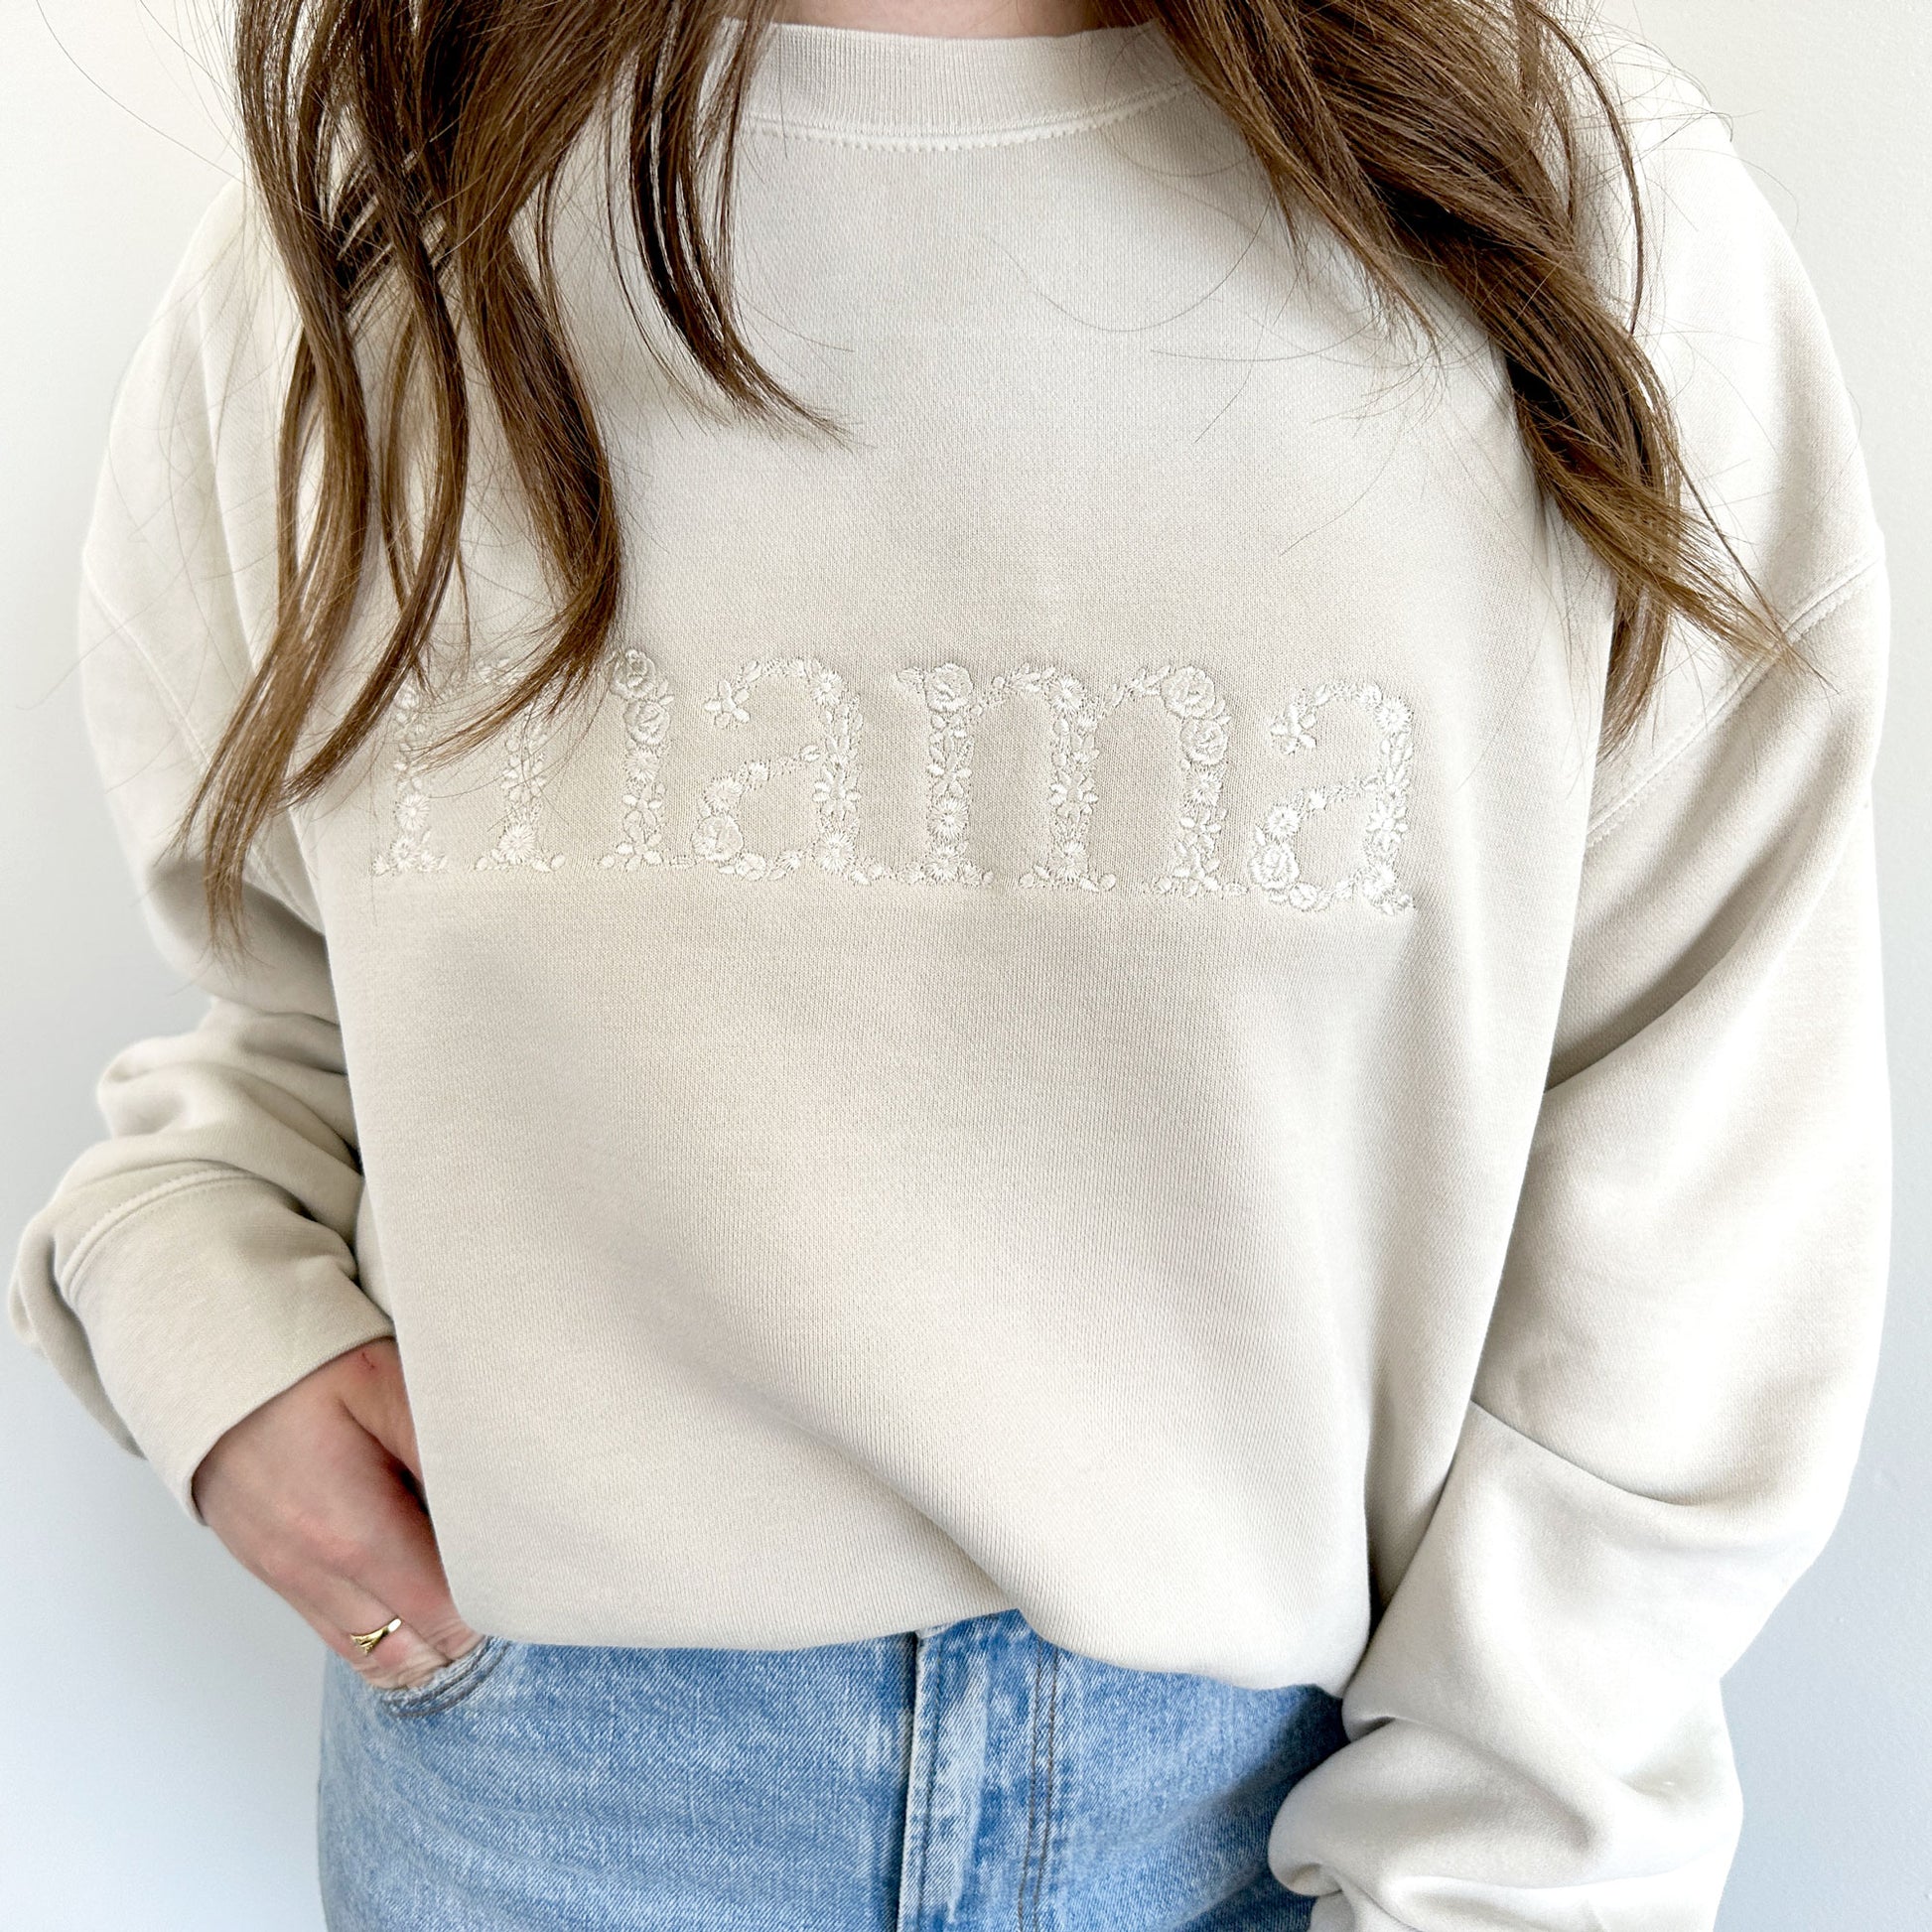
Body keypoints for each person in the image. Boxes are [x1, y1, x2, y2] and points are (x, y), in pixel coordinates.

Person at [8, 0, 1892, 1921]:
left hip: (1309, 1802)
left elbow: (1697, 1185)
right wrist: (197, 1308)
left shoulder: (1583, 219)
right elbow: (299, 1010)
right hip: (536, 1789)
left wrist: (1507, 1865)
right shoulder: (369, 214)